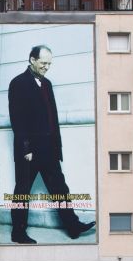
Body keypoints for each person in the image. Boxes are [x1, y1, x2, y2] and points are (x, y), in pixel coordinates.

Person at [7, 44, 95, 243]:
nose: (47, 67)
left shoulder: (47, 83)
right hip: (28, 151)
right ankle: (18, 232)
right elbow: (18, 119)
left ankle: (73, 226)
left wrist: (57, 148)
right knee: (22, 192)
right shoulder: (18, 83)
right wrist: (26, 148)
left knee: (60, 189)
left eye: (49, 63)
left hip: (49, 150)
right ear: (32, 60)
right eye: (43, 62)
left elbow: (52, 118)